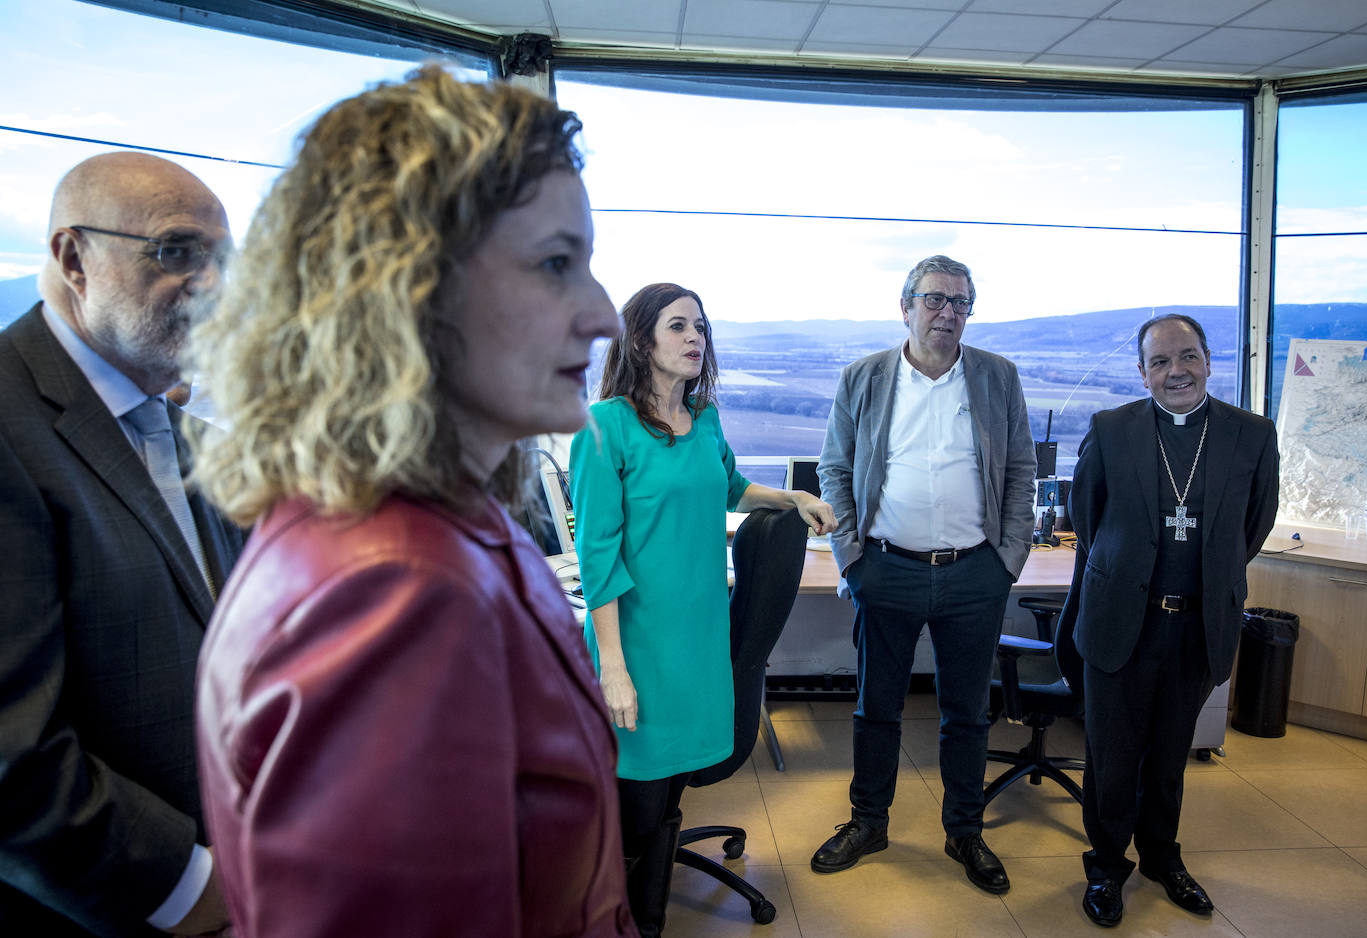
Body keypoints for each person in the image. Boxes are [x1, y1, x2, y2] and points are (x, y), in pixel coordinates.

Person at [189, 68, 632, 937]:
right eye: (555, 264)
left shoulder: (436, 521)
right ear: (408, 290)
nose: (604, 314)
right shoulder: (395, 592)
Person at [0, 152, 244, 936]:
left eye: (222, 260)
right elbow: (13, 759)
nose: (211, 285)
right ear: (74, 258)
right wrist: (198, 892)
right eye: (176, 251)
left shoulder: (183, 435)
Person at [570, 282, 835, 936]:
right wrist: (612, 667)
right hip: (635, 644)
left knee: (668, 793)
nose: (696, 339)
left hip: (698, 642)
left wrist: (793, 500)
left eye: (701, 328)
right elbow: (598, 556)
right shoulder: (605, 427)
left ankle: (650, 914)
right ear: (641, 341)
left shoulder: (705, 418)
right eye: (678, 327)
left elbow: (733, 486)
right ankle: (623, 917)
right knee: (635, 801)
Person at [810, 254, 1036, 894]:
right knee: (875, 706)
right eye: (935, 299)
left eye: (961, 303)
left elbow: (1021, 471)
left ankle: (965, 829)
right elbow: (835, 468)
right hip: (886, 570)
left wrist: (1007, 560)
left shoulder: (997, 377)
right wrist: (853, 558)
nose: (948, 313)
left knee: (966, 712)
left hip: (975, 575)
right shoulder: (865, 378)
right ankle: (868, 821)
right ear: (905, 305)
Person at [1064, 314, 1279, 928]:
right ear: (1143, 372)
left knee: (1170, 753)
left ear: (1209, 361)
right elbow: (1089, 516)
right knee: (1112, 754)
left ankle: (1162, 857)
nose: (1175, 371)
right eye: (1160, 362)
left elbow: (1255, 525)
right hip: (1121, 620)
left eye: (1187, 357)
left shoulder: (1251, 435)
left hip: (1197, 624)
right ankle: (1106, 867)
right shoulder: (1112, 430)